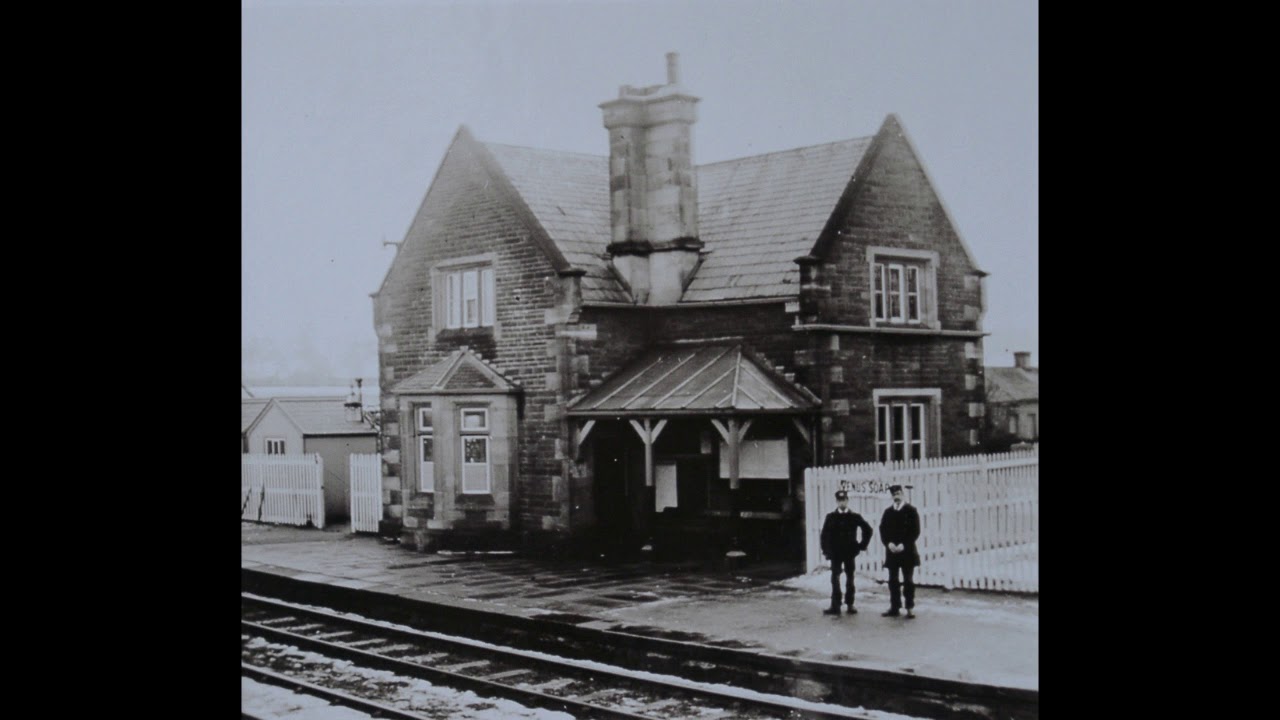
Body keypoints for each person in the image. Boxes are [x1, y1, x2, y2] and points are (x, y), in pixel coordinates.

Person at [819, 489, 873, 616]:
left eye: (844, 500)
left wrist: (861, 545)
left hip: (849, 552)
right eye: (839, 500)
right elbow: (824, 535)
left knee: (850, 578)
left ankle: (850, 604)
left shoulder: (854, 517)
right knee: (835, 578)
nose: (842, 503)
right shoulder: (831, 517)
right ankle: (835, 605)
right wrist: (826, 551)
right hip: (835, 553)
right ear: (836, 502)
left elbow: (868, 530)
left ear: (847, 501)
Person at [879, 484, 921, 618]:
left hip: (907, 552)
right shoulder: (888, 512)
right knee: (893, 580)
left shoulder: (911, 510)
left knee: (908, 580)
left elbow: (915, 530)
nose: (896, 497)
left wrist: (905, 544)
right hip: (892, 552)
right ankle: (894, 607)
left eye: (898, 494)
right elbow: (883, 530)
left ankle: (909, 607)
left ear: (903, 494)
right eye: (894, 495)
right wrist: (888, 543)